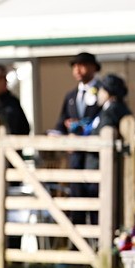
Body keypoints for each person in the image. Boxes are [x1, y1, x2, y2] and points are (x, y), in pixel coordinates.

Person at [52, 52, 104, 221]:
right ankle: (77, 246)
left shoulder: (103, 92)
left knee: (97, 201)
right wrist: (59, 135)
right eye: (74, 66)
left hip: (96, 157)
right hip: (75, 158)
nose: (77, 70)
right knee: (77, 202)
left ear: (93, 67)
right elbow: (60, 123)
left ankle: (98, 244)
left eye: (81, 65)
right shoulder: (71, 96)